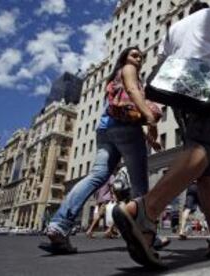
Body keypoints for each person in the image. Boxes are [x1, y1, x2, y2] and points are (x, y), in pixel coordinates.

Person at [111, 2, 210, 267]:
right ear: (205, 7)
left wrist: (154, 109)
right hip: (204, 86)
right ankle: (145, 210)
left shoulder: (174, 28)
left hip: (177, 92)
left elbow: (164, 67)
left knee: (206, 171)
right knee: (204, 149)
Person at [39, 46, 164, 254]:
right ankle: (146, 235)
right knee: (140, 184)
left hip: (106, 131)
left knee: (96, 176)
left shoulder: (114, 78)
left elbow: (124, 110)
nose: (138, 59)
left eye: (141, 57)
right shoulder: (128, 69)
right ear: (124, 57)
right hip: (125, 130)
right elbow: (133, 93)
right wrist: (151, 120)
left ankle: (58, 226)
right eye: (134, 55)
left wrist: (146, 135)